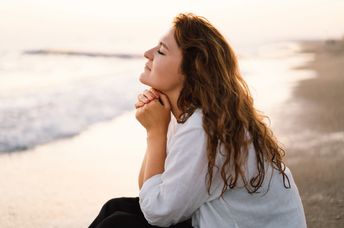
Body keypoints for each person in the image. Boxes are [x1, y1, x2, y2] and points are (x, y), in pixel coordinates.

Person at [89, 13, 307, 228]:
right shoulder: (192, 115)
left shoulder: (204, 128)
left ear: (192, 70)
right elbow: (149, 193)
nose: (148, 54)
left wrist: (154, 133)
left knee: (118, 224)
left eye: (161, 51)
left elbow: (157, 211)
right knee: (114, 208)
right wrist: (159, 129)